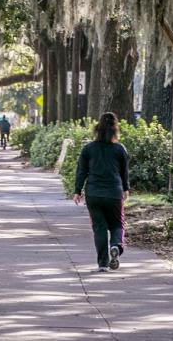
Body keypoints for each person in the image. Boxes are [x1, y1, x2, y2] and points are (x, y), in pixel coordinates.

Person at [72, 112, 130, 272]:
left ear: (97, 129)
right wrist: (126, 189)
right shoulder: (119, 149)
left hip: (93, 194)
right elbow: (124, 172)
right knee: (117, 224)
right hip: (114, 193)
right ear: (115, 131)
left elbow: (81, 171)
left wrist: (77, 191)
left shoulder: (88, 149)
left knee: (99, 227)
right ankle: (116, 246)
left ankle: (103, 264)